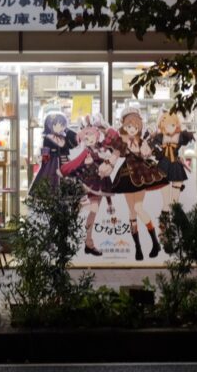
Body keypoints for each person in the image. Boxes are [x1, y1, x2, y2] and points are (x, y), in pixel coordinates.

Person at [113, 107, 168, 260]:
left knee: (138, 207)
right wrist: (108, 164)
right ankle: (138, 247)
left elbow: (147, 152)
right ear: (124, 126)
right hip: (126, 176)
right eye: (129, 126)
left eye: (135, 126)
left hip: (140, 174)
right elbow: (115, 155)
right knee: (132, 212)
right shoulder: (122, 141)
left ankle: (155, 242)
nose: (132, 129)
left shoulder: (142, 141)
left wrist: (147, 151)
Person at [60, 114, 113, 256]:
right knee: (85, 211)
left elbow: (112, 140)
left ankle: (87, 243)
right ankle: (75, 240)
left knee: (93, 212)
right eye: (86, 136)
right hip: (88, 184)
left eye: (92, 135)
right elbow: (74, 163)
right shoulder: (86, 151)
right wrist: (61, 171)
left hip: (99, 185)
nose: (89, 138)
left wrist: (105, 129)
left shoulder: (102, 148)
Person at [30, 111, 78, 192]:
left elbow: (75, 142)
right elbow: (45, 155)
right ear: (51, 125)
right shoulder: (48, 138)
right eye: (61, 125)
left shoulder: (64, 137)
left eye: (64, 125)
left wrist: (67, 131)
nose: (63, 127)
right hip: (52, 165)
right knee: (53, 185)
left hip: (66, 164)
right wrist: (43, 161)